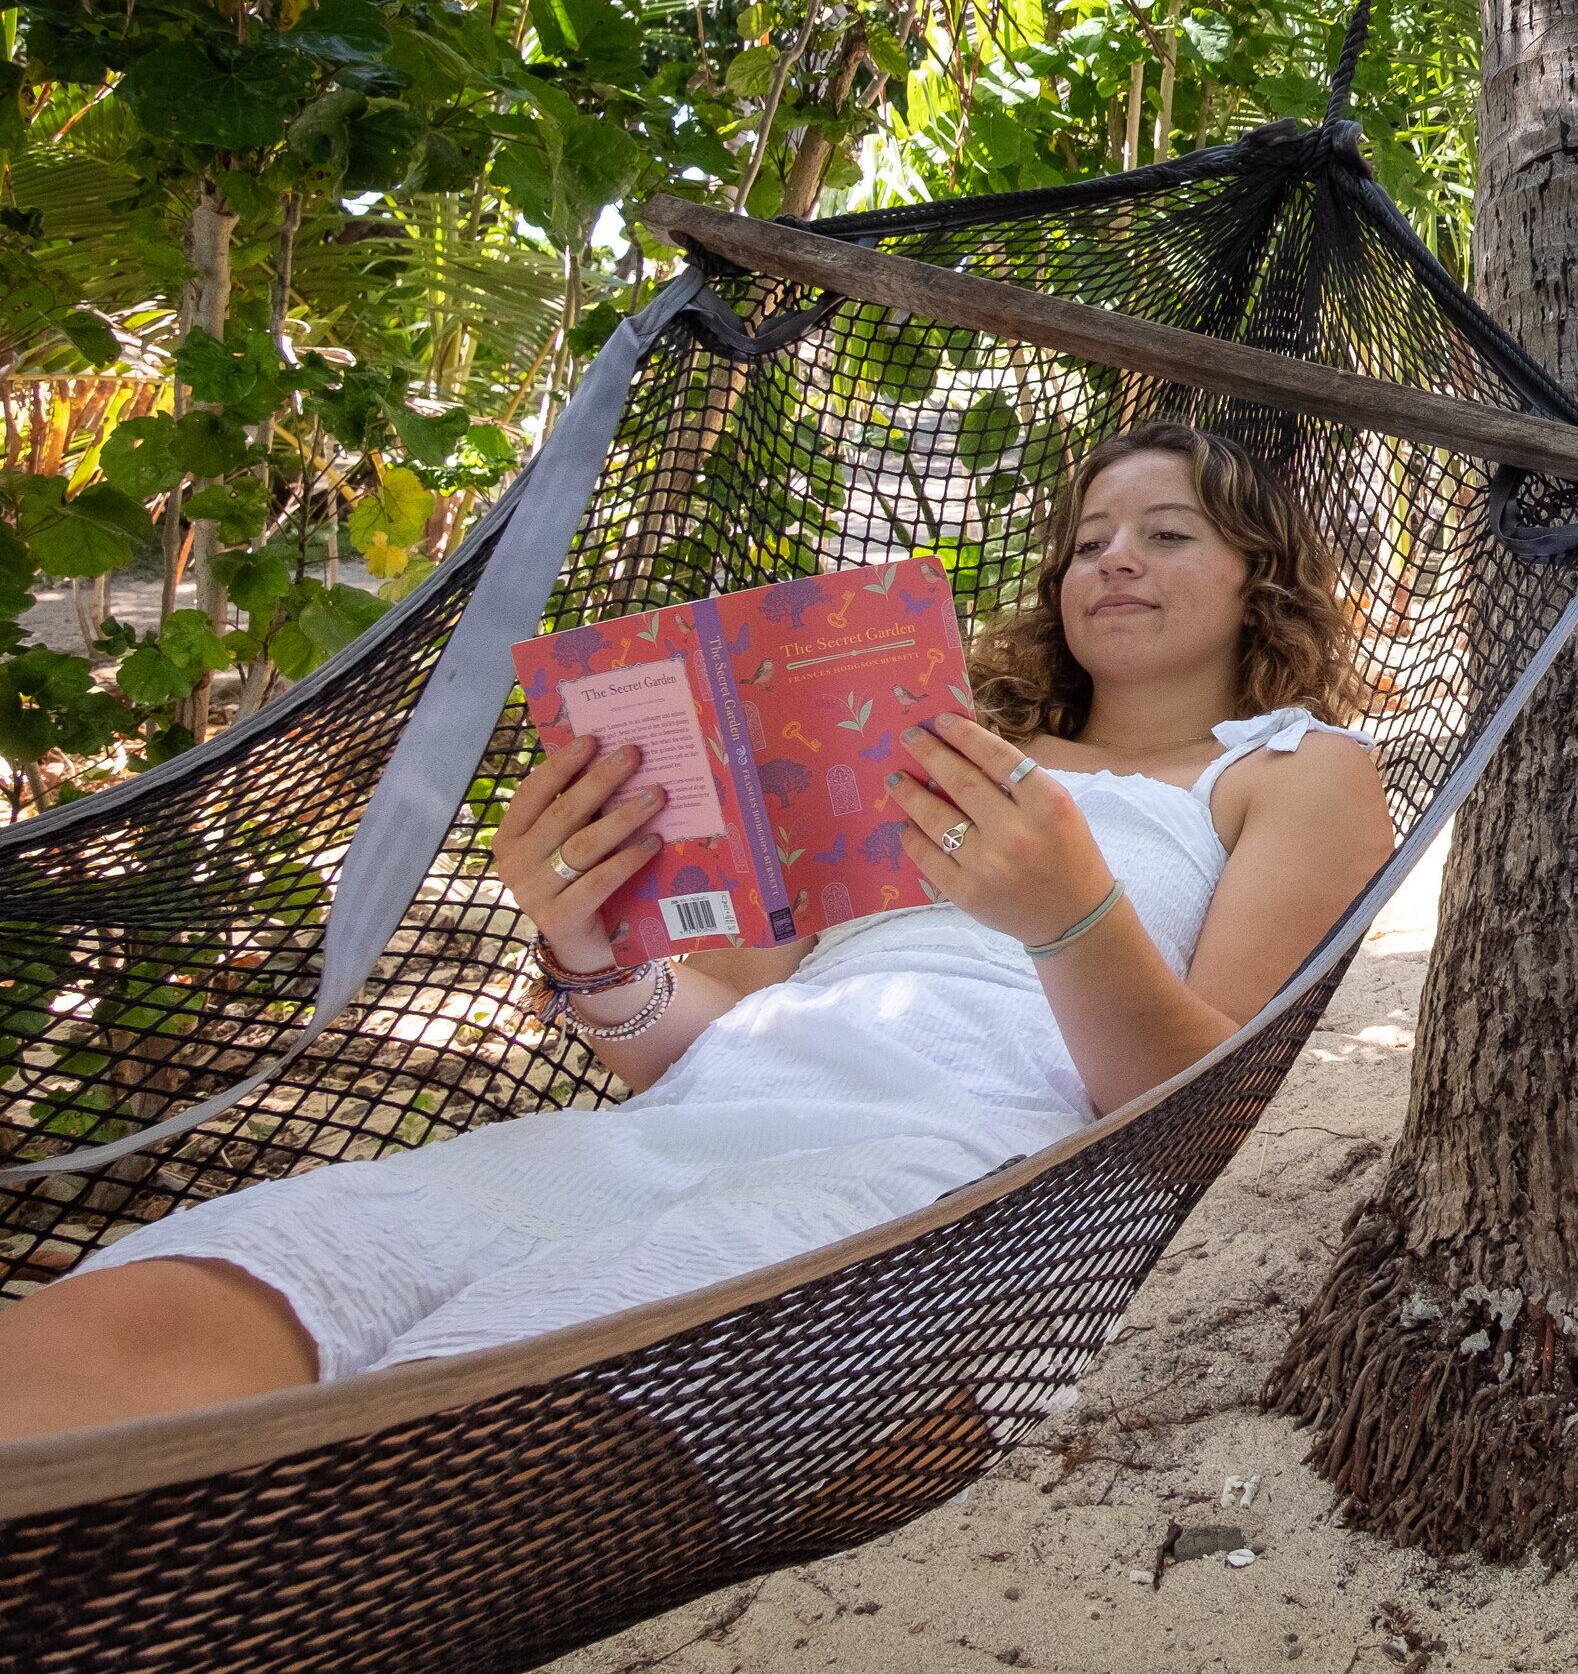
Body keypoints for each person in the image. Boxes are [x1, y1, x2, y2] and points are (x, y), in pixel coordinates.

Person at [0, 420, 1392, 1440]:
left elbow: (1204, 1107)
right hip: (667, 1131)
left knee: (428, 1431)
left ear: (1256, 573)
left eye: (1166, 532)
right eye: (1087, 539)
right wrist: (592, 950)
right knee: (135, 1326)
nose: (1113, 562)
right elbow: (704, 1035)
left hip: (947, 1181)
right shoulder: (936, 740)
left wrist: (1069, 911)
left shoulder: (1291, 769)